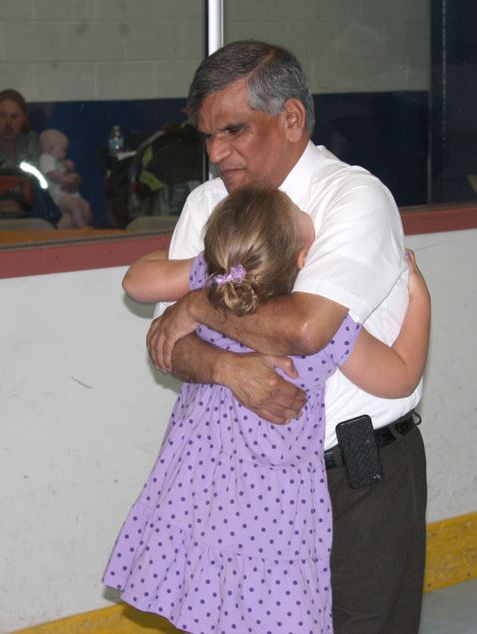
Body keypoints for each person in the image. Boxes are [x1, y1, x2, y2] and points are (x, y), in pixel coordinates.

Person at [143, 41, 428, 633]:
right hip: (240, 487)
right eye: (207, 137)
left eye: (234, 130)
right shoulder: (206, 205)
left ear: (292, 118)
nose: (217, 152)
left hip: (356, 479)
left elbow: (306, 327)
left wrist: (198, 303)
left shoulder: (353, 198)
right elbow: (169, 344)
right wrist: (226, 368)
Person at [104, 185, 430, 634]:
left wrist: (197, 273)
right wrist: (420, 301)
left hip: (200, 505)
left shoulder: (207, 285)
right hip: (275, 522)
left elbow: (137, 280)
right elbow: (401, 375)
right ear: (302, 259)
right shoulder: (319, 331)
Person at [0, 89, 69, 225]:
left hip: (34, 197)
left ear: (24, 118)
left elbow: (45, 174)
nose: (8, 123)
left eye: (15, 116)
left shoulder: (32, 141)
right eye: (2, 115)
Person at [39, 129, 92, 228]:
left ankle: (85, 224)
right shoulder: (46, 158)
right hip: (59, 196)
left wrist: (69, 168)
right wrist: (66, 180)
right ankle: (82, 228)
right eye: (63, 150)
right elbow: (52, 174)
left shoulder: (57, 162)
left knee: (86, 206)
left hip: (70, 194)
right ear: (51, 148)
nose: (65, 154)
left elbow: (66, 174)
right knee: (74, 206)